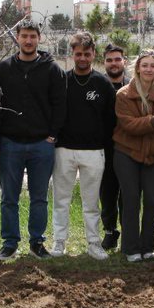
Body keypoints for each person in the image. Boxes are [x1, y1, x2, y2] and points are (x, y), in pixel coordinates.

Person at [0, 19, 66, 259]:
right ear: (17, 38)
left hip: (41, 145)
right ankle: (10, 243)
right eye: (24, 36)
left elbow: (60, 105)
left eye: (32, 36)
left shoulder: (52, 69)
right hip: (10, 144)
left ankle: (37, 242)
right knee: (9, 198)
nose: (28, 40)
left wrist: (52, 135)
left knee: (39, 198)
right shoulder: (3, 69)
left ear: (39, 38)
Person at [51, 32, 115, 259]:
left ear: (93, 54)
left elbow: (111, 119)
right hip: (64, 149)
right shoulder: (62, 81)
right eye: (78, 54)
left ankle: (93, 243)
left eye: (87, 54)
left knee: (91, 202)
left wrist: (105, 147)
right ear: (72, 54)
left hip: (94, 151)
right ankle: (59, 241)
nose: (82, 58)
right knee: (61, 199)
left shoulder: (103, 84)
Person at [112, 51, 154, 262]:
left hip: (153, 155)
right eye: (145, 65)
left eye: (153, 66)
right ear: (138, 68)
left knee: (152, 199)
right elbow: (129, 125)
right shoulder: (124, 95)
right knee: (131, 199)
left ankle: (148, 246)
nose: (149, 69)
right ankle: (130, 248)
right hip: (127, 153)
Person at [98, 44, 128, 251]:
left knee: (128, 192)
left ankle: (129, 231)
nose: (114, 63)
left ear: (124, 61)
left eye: (117, 59)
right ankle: (110, 230)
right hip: (105, 148)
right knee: (107, 192)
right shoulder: (98, 84)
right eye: (109, 60)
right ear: (104, 63)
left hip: (128, 147)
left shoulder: (133, 85)